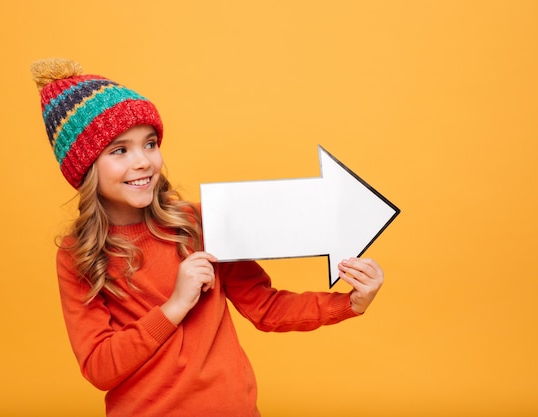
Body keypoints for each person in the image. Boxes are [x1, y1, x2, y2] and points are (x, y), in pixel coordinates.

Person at [31, 58, 385, 417]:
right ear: (85, 167)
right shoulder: (79, 255)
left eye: (149, 144)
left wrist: (350, 303)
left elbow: (265, 307)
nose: (142, 162)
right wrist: (175, 305)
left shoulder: (199, 222)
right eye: (119, 150)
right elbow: (100, 368)